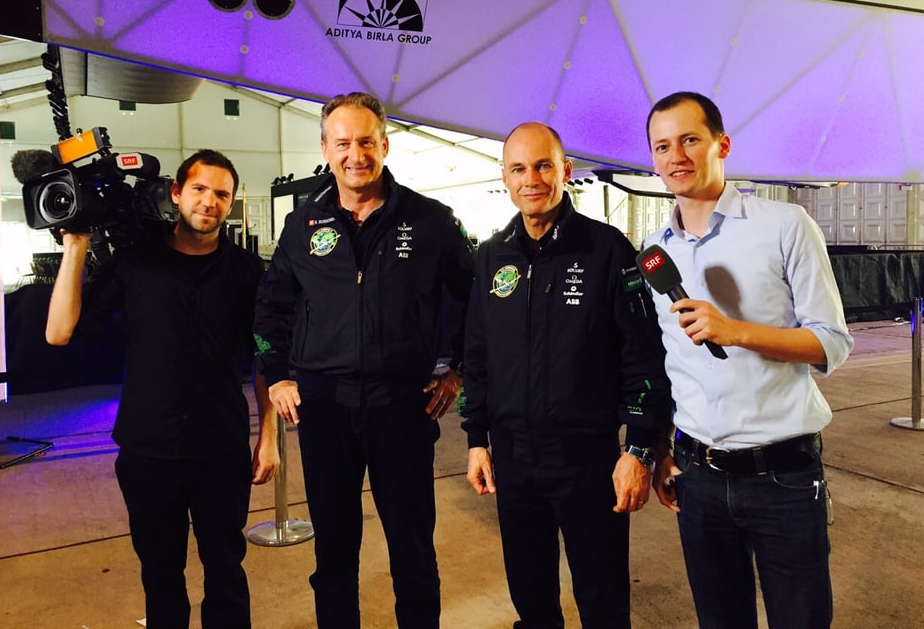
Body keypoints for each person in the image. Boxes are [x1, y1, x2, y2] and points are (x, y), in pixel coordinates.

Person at [252, 91, 476, 629]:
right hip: (323, 407)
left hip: (402, 405)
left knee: (412, 548)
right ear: (327, 148)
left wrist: (460, 374)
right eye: (344, 142)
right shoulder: (302, 226)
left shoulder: (432, 222)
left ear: (385, 145)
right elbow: (269, 311)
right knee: (333, 552)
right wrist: (279, 375)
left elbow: (473, 307)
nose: (357, 154)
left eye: (367, 141)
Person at [643, 91, 854, 629]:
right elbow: (670, 362)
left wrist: (736, 331)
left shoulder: (785, 224)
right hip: (697, 477)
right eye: (663, 146)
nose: (677, 156)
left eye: (690, 139)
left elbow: (831, 341)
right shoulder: (654, 249)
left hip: (782, 475)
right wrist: (664, 449)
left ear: (722, 144)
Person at [46, 149, 278, 629]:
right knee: (161, 576)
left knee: (226, 573)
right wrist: (75, 247)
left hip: (221, 449)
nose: (209, 202)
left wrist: (269, 436)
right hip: (148, 451)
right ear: (176, 194)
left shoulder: (248, 273)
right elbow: (58, 332)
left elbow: (266, 357)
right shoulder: (136, 264)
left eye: (221, 194)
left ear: (231, 205)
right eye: (199, 189)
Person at [461, 122, 673, 629]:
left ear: (565, 172)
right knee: (531, 598)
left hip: (586, 460)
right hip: (514, 458)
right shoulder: (492, 256)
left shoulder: (607, 249)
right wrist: (476, 438)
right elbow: (479, 353)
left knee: (601, 601)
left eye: (543, 166)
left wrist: (639, 448)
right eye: (518, 168)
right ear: (505, 178)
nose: (530, 179)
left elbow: (642, 356)